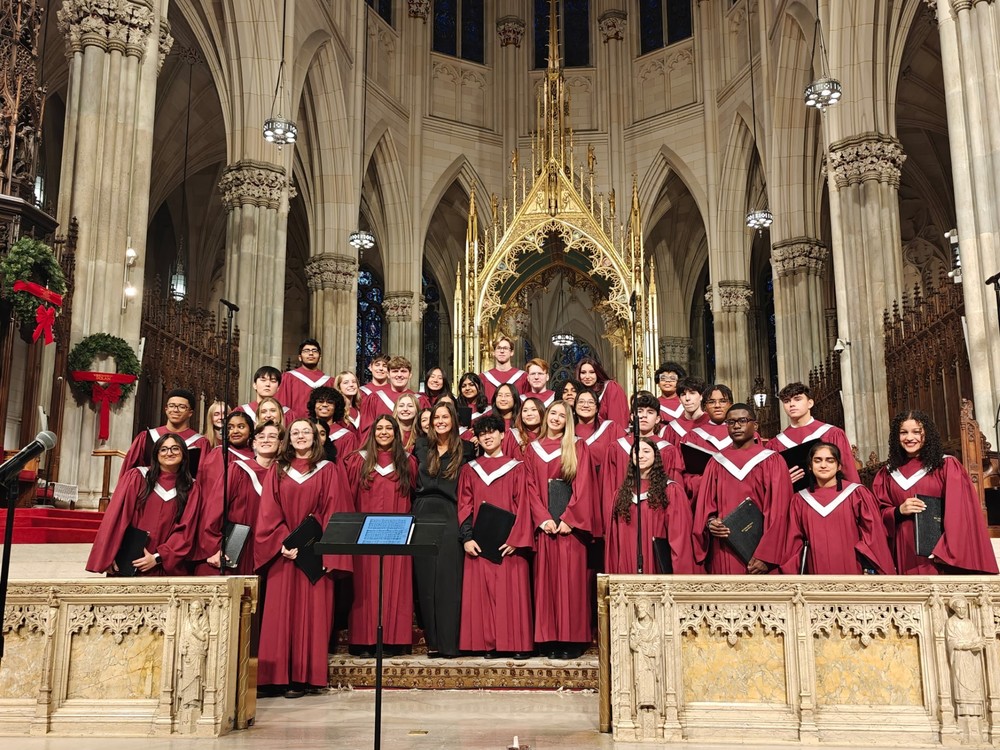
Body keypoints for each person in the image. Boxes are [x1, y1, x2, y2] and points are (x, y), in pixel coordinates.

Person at [254, 419, 354, 698]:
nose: (300, 436)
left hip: (314, 555)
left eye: (306, 432)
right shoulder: (278, 470)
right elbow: (268, 511)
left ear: (315, 438)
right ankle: (273, 678)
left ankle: (303, 677)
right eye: (295, 432)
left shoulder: (328, 470)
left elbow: (335, 510)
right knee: (278, 614)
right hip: (284, 555)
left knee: (311, 614)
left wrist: (314, 544)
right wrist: (282, 541)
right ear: (288, 439)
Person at [873, 410, 998, 575]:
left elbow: (960, 512)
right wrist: (897, 511)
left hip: (938, 552)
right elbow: (876, 513)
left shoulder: (946, 466)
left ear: (928, 434)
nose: (909, 437)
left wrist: (946, 549)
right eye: (903, 432)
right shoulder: (887, 474)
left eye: (917, 432)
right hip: (904, 550)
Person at [458, 414, 536, 658]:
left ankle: (516, 645)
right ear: (477, 440)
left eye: (492, 432)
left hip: (508, 543)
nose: (488, 437)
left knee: (511, 594)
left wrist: (516, 539)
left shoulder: (517, 468)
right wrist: (467, 537)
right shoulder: (470, 470)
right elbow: (464, 506)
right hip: (480, 543)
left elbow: (524, 505)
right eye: (482, 434)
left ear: (503, 435)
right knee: (484, 594)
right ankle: (489, 644)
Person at [524, 401, 595, 660]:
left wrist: (569, 518)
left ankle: (573, 640)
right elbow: (530, 487)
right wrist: (543, 518)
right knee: (546, 583)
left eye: (561, 415)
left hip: (570, 529)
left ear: (568, 420)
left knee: (572, 583)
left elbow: (584, 484)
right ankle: (549, 639)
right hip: (546, 527)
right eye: (552, 413)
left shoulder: (578, 446)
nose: (556, 418)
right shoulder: (532, 450)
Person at [345, 415, 417, 657]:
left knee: (395, 585)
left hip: (398, 535)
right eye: (380, 428)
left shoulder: (408, 462)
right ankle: (363, 641)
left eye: (389, 428)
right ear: (372, 432)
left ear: (397, 433)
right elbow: (349, 499)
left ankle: (394, 640)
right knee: (365, 588)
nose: (384, 432)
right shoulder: (357, 461)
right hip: (365, 536)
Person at [693, 404, 794, 574]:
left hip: (762, 553)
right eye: (731, 422)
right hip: (724, 549)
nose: (736, 426)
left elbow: (780, 512)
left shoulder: (772, 461)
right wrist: (711, 523)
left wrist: (766, 556)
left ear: (754, 425)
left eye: (742, 420)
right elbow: (705, 506)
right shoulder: (716, 462)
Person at [412, 402, 475, 658]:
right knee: (426, 580)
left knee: (449, 579)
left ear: (454, 420)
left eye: (444, 417)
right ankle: (434, 643)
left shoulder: (468, 449)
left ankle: (451, 644)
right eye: (436, 417)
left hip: (451, 513)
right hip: (423, 514)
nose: (439, 421)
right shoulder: (420, 446)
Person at [88, 433, 200, 576]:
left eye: (175, 449)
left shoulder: (192, 487)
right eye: (163, 449)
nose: (169, 453)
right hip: (129, 559)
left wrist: (158, 557)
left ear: (184, 453)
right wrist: (110, 554)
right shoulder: (137, 477)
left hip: (166, 566)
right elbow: (116, 517)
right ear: (156, 454)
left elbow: (186, 530)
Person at [783, 442, 895, 575]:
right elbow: (793, 545)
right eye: (817, 461)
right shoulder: (800, 500)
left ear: (839, 466)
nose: (823, 465)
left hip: (852, 569)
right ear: (810, 467)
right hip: (815, 573)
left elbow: (874, 536)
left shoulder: (857, 494)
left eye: (830, 460)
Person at [604, 438, 698, 575]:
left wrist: (679, 578)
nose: (641, 455)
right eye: (636, 451)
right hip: (627, 564)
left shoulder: (670, 490)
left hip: (657, 564)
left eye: (646, 451)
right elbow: (614, 543)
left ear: (656, 456)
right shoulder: (621, 494)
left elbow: (679, 538)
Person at [199, 421, 282, 575]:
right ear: (254, 443)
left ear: (281, 444)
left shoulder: (283, 476)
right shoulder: (237, 469)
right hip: (237, 544)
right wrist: (214, 546)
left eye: (272, 437)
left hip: (270, 547)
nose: (266, 440)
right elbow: (215, 509)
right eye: (261, 437)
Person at [601, 392, 682, 532]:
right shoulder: (616, 448)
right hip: (623, 517)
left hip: (656, 519)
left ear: (658, 419)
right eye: (639, 411)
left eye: (650, 412)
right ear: (632, 417)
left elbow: (674, 492)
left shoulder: (668, 450)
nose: (644, 416)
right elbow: (608, 488)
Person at [766, 382, 860, 485]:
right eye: (787, 401)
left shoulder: (833, 433)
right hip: (794, 499)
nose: (791, 404)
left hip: (831, 495)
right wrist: (783, 481)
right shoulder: (775, 444)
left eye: (797, 399)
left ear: (810, 403)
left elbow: (848, 472)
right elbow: (771, 481)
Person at [119, 388, 210, 478]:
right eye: (171, 405)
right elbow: (129, 472)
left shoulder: (200, 442)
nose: (175, 410)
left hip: (186, 491)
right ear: (166, 408)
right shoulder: (146, 437)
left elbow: (203, 476)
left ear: (190, 413)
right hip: (147, 489)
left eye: (182, 407)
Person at [361, 355, 425, 433]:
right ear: (388, 374)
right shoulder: (375, 398)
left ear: (410, 375)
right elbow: (367, 430)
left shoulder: (419, 400)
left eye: (403, 371)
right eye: (395, 371)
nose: (399, 375)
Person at [275, 339, 332, 421]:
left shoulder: (329, 381)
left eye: (314, 351)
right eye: (306, 351)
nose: (311, 353)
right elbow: (281, 405)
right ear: (300, 357)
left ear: (319, 357)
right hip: (295, 427)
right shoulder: (288, 377)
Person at [576, 357, 629, 427]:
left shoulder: (611, 387)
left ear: (598, 373)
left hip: (608, 435)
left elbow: (618, 421)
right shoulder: (578, 392)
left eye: (592, 372)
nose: (587, 376)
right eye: (583, 372)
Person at [573, 388, 616, 474]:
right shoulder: (567, 431)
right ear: (574, 407)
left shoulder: (610, 428)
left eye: (591, 402)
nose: (585, 405)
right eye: (581, 402)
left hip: (602, 480)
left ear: (597, 409)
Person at [481, 334, 526, 401]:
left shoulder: (523, 377)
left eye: (505, 348)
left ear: (512, 352)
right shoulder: (483, 377)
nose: (502, 351)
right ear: (494, 352)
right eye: (498, 348)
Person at [665, 376, 708, 441]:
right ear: (679, 399)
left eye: (692, 393)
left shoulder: (711, 422)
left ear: (701, 396)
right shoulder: (673, 428)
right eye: (683, 394)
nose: (687, 398)